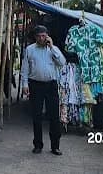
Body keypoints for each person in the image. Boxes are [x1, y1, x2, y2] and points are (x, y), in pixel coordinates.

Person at [21, 25, 66, 155]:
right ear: (35, 37)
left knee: (54, 116)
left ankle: (55, 146)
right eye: (39, 36)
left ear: (47, 36)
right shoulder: (29, 50)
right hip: (35, 85)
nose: (41, 38)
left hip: (51, 85)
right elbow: (25, 69)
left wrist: (52, 47)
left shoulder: (53, 49)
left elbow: (62, 63)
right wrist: (25, 84)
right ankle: (38, 144)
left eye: (44, 36)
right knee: (37, 116)